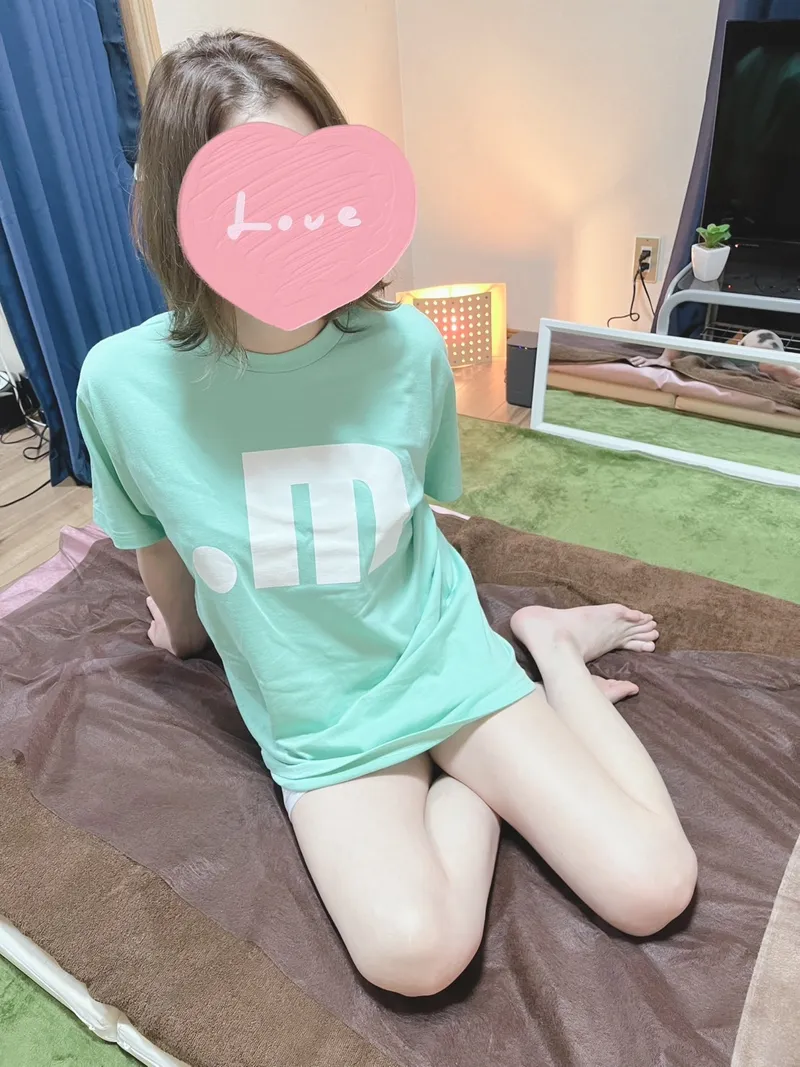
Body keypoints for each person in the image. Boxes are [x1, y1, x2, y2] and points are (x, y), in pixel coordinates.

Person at [77, 31, 697, 998]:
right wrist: (186, 636)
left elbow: (417, 518)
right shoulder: (121, 383)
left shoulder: (407, 344)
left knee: (653, 885)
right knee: (414, 954)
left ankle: (554, 649)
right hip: (322, 716)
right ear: (179, 210)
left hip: (443, 654)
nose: (291, 228)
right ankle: (483, 771)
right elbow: (162, 548)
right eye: (251, 201)